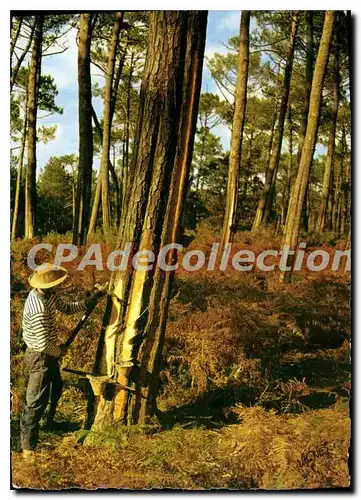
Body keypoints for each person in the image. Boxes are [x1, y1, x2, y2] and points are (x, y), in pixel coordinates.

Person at [20, 263, 101, 460]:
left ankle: (49, 422)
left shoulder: (48, 294)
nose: (59, 286)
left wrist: (88, 302)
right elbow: (42, 344)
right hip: (40, 355)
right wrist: (59, 351)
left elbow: (65, 308)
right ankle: (28, 448)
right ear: (47, 285)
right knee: (34, 401)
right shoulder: (38, 306)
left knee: (56, 386)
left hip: (48, 352)